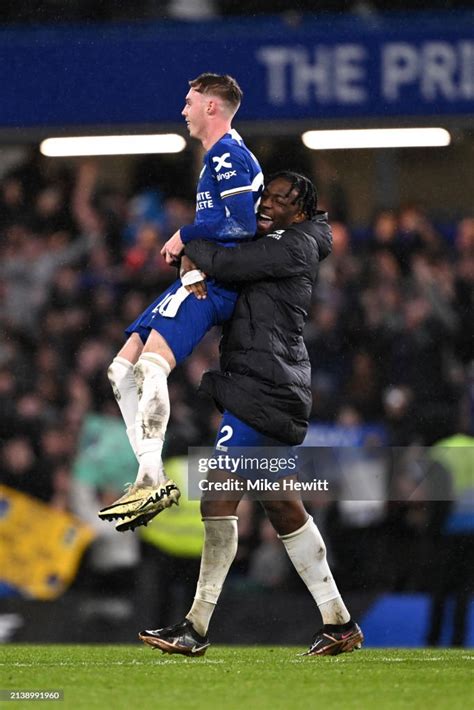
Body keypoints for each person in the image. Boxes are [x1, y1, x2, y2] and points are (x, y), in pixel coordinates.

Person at [137, 171, 364, 657]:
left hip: (265, 387)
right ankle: (340, 623)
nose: (267, 205)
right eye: (266, 196)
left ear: (300, 211)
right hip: (265, 384)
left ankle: (195, 628)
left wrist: (192, 243)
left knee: (217, 498)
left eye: (281, 201)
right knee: (282, 504)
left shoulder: (296, 245)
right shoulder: (285, 238)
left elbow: (232, 263)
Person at [98, 73, 263, 530]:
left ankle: (151, 478)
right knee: (119, 370)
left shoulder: (228, 154)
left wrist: (185, 233)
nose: (183, 110)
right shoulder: (218, 155)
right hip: (199, 275)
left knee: (150, 368)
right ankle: (148, 475)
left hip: (216, 285)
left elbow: (241, 224)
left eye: (190, 102)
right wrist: (189, 254)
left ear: (212, 107)